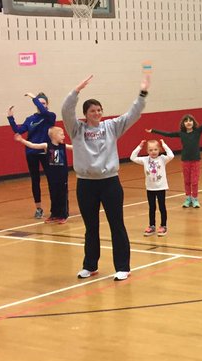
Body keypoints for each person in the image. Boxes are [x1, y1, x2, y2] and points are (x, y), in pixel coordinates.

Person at [63, 72, 148, 280]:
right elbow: (66, 110)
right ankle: (90, 265)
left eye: (99, 110)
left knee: (116, 224)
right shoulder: (76, 129)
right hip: (86, 184)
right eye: (92, 110)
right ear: (85, 114)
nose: (97, 113)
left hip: (110, 183)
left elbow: (132, 114)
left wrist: (142, 94)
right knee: (90, 227)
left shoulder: (111, 127)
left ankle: (123, 267)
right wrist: (76, 91)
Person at [148, 107, 202, 208]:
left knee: (194, 181)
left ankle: (195, 199)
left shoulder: (197, 131)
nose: (188, 122)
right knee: (187, 181)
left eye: (190, 120)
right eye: (186, 121)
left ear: (193, 122)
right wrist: (153, 131)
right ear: (183, 124)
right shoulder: (181, 134)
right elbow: (168, 134)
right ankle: (188, 198)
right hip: (185, 161)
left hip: (195, 160)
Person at [7, 92, 57, 218]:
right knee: (35, 180)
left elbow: (43, 111)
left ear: (47, 104)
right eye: (40, 103)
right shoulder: (30, 119)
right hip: (32, 152)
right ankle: (38, 208)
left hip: (48, 151)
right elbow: (18, 130)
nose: (41, 105)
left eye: (43, 103)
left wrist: (34, 98)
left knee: (53, 178)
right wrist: (10, 118)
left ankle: (56, 207)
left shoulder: (50, 116)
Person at [14, 127, 72, 223]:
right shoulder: (46, 145)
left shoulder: (63, 146)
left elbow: (76, 147)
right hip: (52, 176)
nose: (64, 136)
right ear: (54, 136)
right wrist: (21, 140)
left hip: (62, 175)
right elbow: (33, 145)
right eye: (61, 134)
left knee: (62, 195)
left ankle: (63, 215)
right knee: (53, 195)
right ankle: (54, 214)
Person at [132, 138, 175, 236]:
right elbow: (132, 157)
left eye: (155, 149)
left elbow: (171, 155)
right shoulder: (145, 160)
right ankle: (152, 226)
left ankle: (163, 226)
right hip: (150, 188)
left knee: (162, 207)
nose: (153, 152)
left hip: (161, 187)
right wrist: (139, 146)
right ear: (147, 151)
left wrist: (164, 145)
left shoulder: (162, 159)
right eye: (150, 150)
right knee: (152, 208)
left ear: (159, 150)